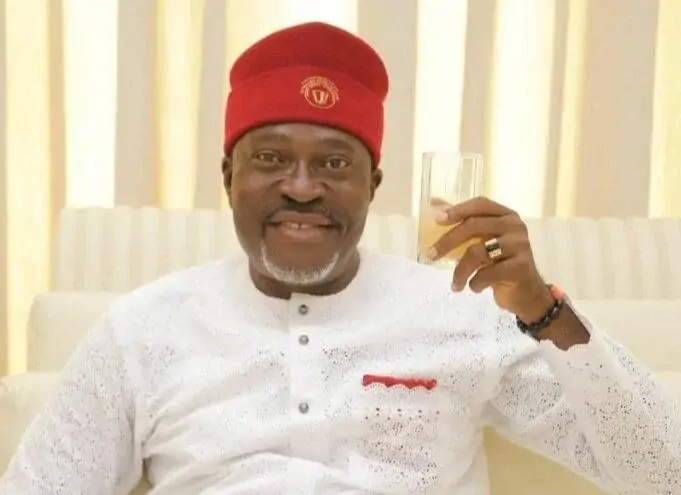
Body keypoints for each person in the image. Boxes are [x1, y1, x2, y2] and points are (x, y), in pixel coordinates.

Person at [1, 21, 679, 495]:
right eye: (271, 158)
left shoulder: (462, 314)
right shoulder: (143, 328)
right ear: (228, 178)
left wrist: (542, 309)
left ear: (372, 185)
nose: (302, 187)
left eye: (333, 163)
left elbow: (662, 469)